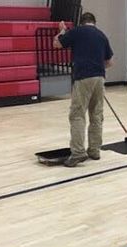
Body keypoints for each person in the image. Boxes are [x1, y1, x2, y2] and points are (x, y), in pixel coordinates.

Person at [53, 12, 114, 167]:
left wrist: (61, 31)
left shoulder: (76, 31)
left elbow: (57, 44)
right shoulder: (101, 35)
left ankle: (78, 153)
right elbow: (109, 62)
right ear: (94, 22)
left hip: (83, 77)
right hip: (99, 77)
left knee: (77, 115)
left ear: (82, 22)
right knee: (96, 115)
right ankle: (94, 150)